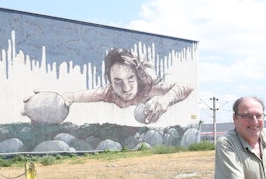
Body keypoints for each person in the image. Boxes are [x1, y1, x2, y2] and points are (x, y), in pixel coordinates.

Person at [21, 48, 192, 124]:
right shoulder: (107, 93)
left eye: (131, 79)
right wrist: (42, 102)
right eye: (117, 82)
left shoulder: (148, 88)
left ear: (138, 76)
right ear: (110, 81)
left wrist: (165, 101)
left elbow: (187, 86)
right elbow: (71, 96)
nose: (126, 88)